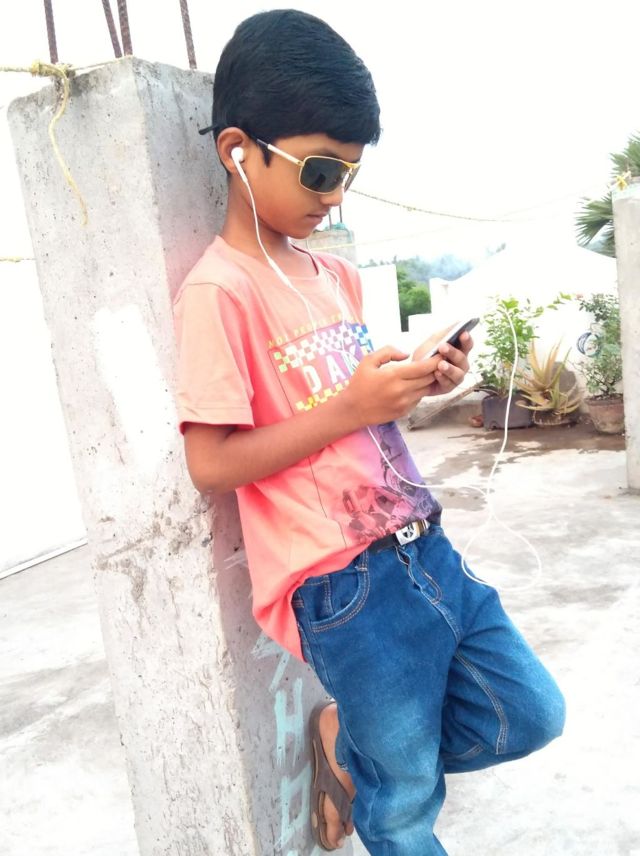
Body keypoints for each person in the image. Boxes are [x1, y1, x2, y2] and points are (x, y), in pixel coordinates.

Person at [172, 9, 566, 855]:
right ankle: (376, 770)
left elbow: (355, 420)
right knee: (404, 810)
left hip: (424, 546)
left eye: (348, 174)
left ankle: (352, 748)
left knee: (531, 713)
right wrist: (351, 408)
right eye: (319, 171)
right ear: (238, 151)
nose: (335, 196)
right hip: (340, 588)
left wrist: (416, 386)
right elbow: (210, 462)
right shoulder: (219, 292)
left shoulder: (334, 274)